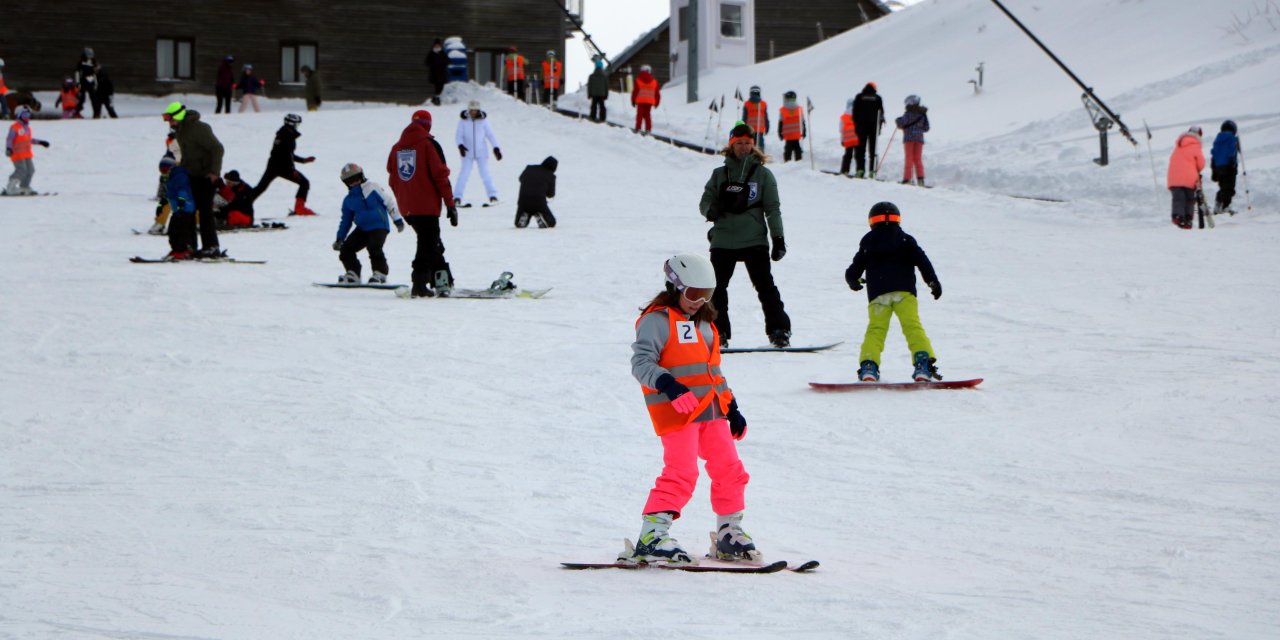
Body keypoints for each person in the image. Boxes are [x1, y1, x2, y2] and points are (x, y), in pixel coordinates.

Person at [620, 253, 758, 566]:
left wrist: (731, 407)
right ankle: (652, 536)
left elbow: (713, 371)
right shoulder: (656, 321)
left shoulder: (705, 323)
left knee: (730, 469)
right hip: (678, 411)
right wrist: (669, 386)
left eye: (706, 294)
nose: (699, 301)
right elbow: (641, 363)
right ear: (675, 286)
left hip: (712, 411)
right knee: (682, 473)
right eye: (693, 294)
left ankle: (729, 533)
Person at [698, 122, 791, 349]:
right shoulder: (719, 174)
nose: (743, 147)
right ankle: (717, 332)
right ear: (731, 145)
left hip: (754, 239)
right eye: (739, 143)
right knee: (715, 288)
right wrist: (711, 211)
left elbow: (772, 208)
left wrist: (778, 238)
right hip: (723, 238)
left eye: (748, 143)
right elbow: (704, 202)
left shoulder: (763, 175)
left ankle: (779, 331)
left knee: (765, 287)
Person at [844, 201, 942, 383]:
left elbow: (853, 271)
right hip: (904, 293)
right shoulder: (905, 240)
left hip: (879, 295)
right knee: (913, 327)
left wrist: (854, 281)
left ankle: (869, 366)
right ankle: (923, 365)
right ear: (898, 220)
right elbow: (923, 261)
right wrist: (932, 281)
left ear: (872, 221)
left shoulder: (869, 242)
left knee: (875, 330)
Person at [386, 109, 459, 298]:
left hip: (408, 208)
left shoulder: (396, 148)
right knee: (427, 244)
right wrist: (450, 204)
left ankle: (442, 279)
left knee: (432, 243)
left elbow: (393, 179)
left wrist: (404, 198)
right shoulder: (429, 145)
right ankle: (419, 284)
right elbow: (441, 176)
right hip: (426, 206)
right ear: (428, 125)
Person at [164, 101, 225, 256]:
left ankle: (211, 247)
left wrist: (214, 172)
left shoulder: (199, 128)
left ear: (178, 116)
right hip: (191, 176)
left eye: (170, 119)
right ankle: (189, 246)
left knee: (205, 212)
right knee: (189, 211)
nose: (169, 123)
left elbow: (217, 148)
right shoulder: (180, 131)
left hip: (206, 177)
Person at [334, 162, 405, 284]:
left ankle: (380, 274)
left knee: (374, 247)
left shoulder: (373, 188)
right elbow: (345, 221)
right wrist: (340, 238)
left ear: (361, 176)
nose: (354, 182)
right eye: (350, 181)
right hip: (362, 228)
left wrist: (397, 220)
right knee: (346, 249)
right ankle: (353, 273)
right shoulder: (348, 200)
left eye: (356, 179)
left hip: (379, 226)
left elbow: (389, 202)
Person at [252, 113, 318, 216]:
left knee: (260, 188)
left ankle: (244, 204)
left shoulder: (282, 133)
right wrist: (292, 170)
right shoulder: (288, 135)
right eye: (297, 124)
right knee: (304, 183)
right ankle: (300, 208)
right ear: (293, 124)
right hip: (283, 167)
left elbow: (286, 153)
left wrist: (303, 160)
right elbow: (287, 155)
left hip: (273, 165)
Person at [453, 99, 502, 207]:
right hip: (467, 153)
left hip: (481, 153)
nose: (473, 112)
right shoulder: (463, 121)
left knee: (485, 174)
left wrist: (496, 148)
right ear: (469, 110)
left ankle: (493, 196)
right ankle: (457, 197)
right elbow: (458, 136)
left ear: (478, 110)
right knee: (464, 174)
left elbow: (491, 135)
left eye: (475, 110)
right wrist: (460, 145)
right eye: (471, 110)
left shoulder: (484, 121)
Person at [3, 106, 50, 195]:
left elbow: (28, 140)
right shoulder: (15, 127)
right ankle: (10, 187)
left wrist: (40, 142)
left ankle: (24, 186)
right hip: (16, 154)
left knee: (30, 170)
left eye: (28, 115)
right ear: (19, 115)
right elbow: (9, 139)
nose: (27, 117)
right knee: (21, 170)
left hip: (26, 154)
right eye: (24, 115)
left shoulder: (27, 128)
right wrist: (9, 148)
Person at [159, 156, 197, 260]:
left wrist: (181, 202)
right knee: (173, 229)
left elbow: (182, 190)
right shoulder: (171, 177)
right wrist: (163, 201)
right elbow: (171, 192)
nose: (163, 172)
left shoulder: (179, 176)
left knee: (181, 230)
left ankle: (184, 249)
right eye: (161, 170)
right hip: (178, 210)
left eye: (165, 170)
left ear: (171, 168)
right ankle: (176, 249)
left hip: (185, 208)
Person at [1166, 125, 1205, 230]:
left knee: (1178, 198)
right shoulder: (1196, 145)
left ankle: (1178, 216)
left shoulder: (1178, 145)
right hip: (1189, 178)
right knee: (1189, 199)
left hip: (1174, 177)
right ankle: (1188, 219)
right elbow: (1201, 163)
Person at [852, 82, 885, 178]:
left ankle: (860, 170)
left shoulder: (859, 97)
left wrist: (856, 125)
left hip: (861, 127)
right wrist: (879, 127)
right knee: (873, 150)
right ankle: (872, 171)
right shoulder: (878, 98)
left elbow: (855, 112)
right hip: (873, 127)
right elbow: (881, 113)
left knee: (860, 149)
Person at [895, 94, 930, 186]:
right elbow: (926, 128)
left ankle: (907, 179)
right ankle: (921, 180)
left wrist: (897, 120)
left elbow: (901, 123)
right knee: (918, 159)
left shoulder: (908, 114)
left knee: (909, 159)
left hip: (909, 139)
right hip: (919, 139)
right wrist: (918, 130)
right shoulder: (923, 114)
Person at [514, 156, 558, 228]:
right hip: (539, 200)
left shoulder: (529, 168)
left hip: (523, 199)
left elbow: (520, 178)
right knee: (552, 221)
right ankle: (542, 218)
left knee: (520, 219)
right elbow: (551, 194)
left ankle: (524, 217)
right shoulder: (551, 175)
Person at [1209, 120, 1240, 215]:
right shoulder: (1232, 139)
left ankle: (1218, 205)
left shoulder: (1217, 139)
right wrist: (1233, 164)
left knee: (1223, 187)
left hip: (1218, 167)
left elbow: (1214, 153)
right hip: (1228, 166)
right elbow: (1231, 152)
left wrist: (1213, 169)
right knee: (1229, 188)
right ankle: (1225, 206)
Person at [631, 64, 661, 134]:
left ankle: (638, 128)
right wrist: (657, 103)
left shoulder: (638, 80)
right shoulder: (654, 82)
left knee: (640, 115)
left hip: (640, 101)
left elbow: (635, 92)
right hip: (650, 101)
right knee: (647, 115)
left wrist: (633, 101)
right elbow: (657, 94)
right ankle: (648, 129)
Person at [778, 90, 806, 162]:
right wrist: (804, 131)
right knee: (797, 148)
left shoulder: (783, 110)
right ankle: (798, 161)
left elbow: (780, 123)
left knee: (788, 149)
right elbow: (802, 122)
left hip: (788, 134)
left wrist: (780, 133)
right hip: (797, 134)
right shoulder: (799, 109)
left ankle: (787, 161)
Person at [741, 86, 769, 152]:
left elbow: (744, 118)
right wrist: (767, 126)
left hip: (749, 129)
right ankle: (761, 157)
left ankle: (749, 157)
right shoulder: (763, 104)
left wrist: (743, 128)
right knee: (760, 144)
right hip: (760, 129)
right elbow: (766, 117)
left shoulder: (747, 104)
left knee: (750, 144)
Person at [838, 98, 860, 175]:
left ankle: (844, 170)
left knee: (848, 155)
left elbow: (841, 129)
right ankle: (859, 171)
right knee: (858, 155)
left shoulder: (844, 116)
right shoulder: (859, 114)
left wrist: (842, 140)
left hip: (848, 139)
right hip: (857, 139)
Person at [73, 48, 96, 118]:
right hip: (83, 82)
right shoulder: (81, 62)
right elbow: (77, 72)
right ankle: (76, 112)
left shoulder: (93, 62)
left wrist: (95, 82)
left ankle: (96, 112)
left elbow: (95, 73)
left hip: (91, 81)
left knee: (94, 98)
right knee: (81, 98)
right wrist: (77, 82)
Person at [425, 39, 448, 106]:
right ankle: (436, 99)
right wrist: (433, 63)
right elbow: (427, 62)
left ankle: (436, 98)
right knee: (437, 87)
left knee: (441, 87)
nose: (437, 46)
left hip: (442, 74)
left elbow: (447, 61)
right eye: (436, 45)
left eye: (438, 45)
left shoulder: (443, 53)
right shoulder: (431, 53)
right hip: (434, 74)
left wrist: (442, 63)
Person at [587, 56, 609, 123]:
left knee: (594, 106)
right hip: (602, 94)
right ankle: (602, 118)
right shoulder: (604, 77)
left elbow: (589, 86)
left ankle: (592, 117)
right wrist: (606, 95)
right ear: (602, 67)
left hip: (594, 94)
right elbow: (606, 87)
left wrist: (589, 94)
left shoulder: (591, 76)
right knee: (602, 106)